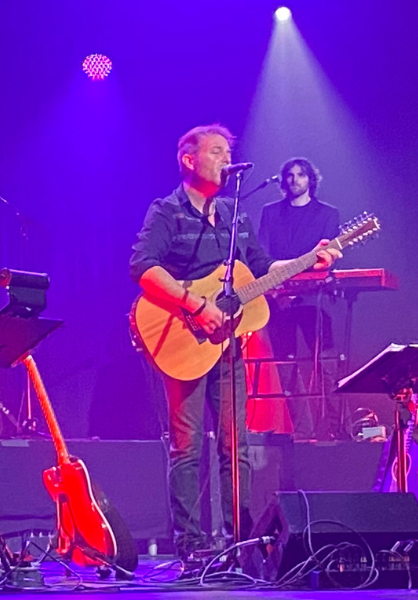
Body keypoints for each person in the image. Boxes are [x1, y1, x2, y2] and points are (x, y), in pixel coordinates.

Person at [129, 125, 339, 565]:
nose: (227, 159)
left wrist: (309, 260)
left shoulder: (234, 214)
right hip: (181, 335)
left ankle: (238, 541)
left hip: (228, 347)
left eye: (229, 152)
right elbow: (143, 268)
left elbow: (263, 269)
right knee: (187, 448)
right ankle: (191, 547)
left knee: (234, 445)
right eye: (217, 152)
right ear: (189, 159)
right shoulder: (167, 211)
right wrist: (194, 304)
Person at [255, 158, 345, 439]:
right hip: (278, 300)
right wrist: (279, 289)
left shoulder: (328, 214)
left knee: (327, 365)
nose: (295, 180)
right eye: (290, 175)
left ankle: (334, 428)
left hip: (313, 300)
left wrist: (300, 286)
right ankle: (303, 434)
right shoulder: (270, 213)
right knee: (287, 370)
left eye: (301, 175)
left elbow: (326, 258)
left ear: (311, 180)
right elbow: (261, 255)